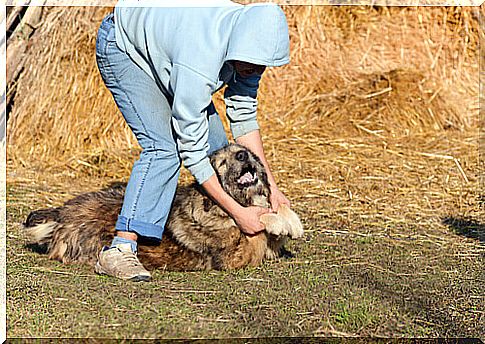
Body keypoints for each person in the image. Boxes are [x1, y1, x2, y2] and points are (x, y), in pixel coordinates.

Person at [94, 0, 291, 281]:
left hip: (167, 53)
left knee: (224, 154)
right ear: (238, 46)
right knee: (163, 149)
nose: (256, 70)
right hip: (124, 48)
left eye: (264, 65)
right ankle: (121, 249)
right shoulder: (199, 62)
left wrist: (270, 187)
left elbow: (243, 117)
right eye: (252, 64)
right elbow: (192, 151)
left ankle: (229, 231)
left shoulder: (250, 51)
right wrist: (237, 212)